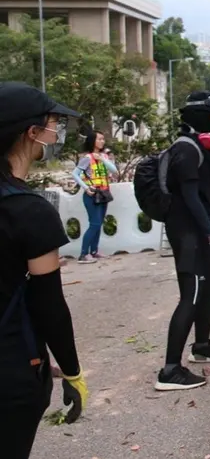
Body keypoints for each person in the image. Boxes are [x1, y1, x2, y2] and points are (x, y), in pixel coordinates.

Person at [0, 82, 86, 456]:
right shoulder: (30, 212)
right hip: (11, 370)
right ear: (31, 133)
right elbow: (47, 302)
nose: (56, 132)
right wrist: (72, 371)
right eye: (52, 123)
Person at [156, 92, 210, 391]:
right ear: (200, 116)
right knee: (192, 293)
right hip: (188, 232)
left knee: (209, 284)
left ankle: (201, 345)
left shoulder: (203, 147)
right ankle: (170, 369)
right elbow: (189, 196)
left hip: (203, 229)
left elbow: (209, 192)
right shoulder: (185, 150)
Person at [72, 130, 118, 264]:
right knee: (94, 224)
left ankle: (94, 251)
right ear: (92, 141)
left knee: (98, 224)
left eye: (103, 139)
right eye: (99, 139)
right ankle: (83, 254)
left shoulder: (103, 157)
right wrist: (86, 188)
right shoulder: (87, 158)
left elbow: (114, 170)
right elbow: (75, 174)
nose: (102, 141)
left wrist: (102, 159)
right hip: (92, 195)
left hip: (104, 193)